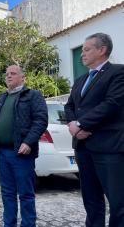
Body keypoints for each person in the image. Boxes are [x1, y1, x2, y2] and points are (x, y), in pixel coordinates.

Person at [64, 33, 124, 227]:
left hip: (108, 149)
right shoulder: (81, 80)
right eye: (81, 50)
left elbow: (112, 104)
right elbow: (70, 106)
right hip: (83, 148)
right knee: (91, 200)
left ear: (102, 50)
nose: (82, 54)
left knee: (118, 203)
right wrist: (73, 126)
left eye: (87, 49)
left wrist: (82, 124)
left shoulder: (118, 72)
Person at [0, 65, 48, 227]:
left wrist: (28, 142)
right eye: (7, 74)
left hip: (22, 153)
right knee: (7, 193)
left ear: (23, 77)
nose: (9, 76)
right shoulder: (2, 97)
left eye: (13, 73)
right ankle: (9, 224)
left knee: (26, 194)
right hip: (3, 152)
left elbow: (41, 120)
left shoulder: (33, 95)